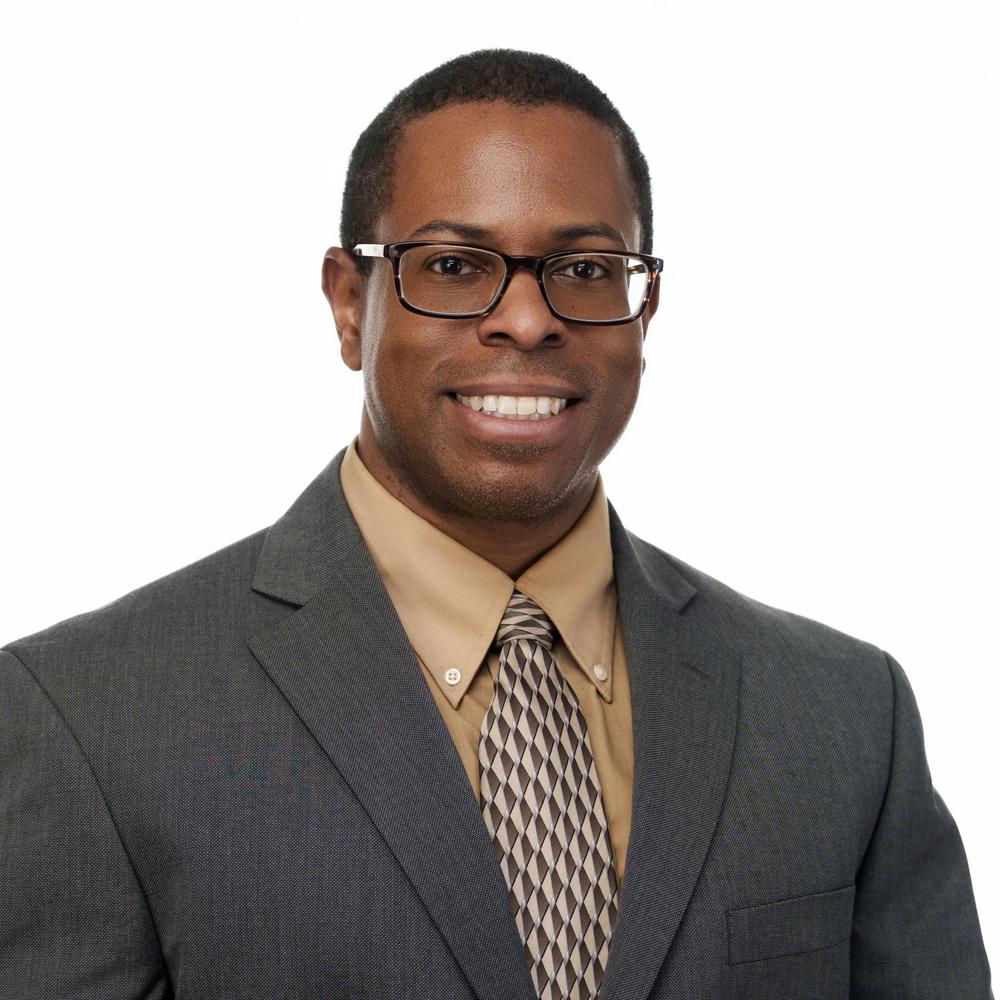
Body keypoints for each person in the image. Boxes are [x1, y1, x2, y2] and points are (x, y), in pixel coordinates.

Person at [0, 47, 991, 1000]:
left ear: (646, 313)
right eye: (455, 264)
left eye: (588, 270)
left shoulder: (844, 716)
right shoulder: (87, 717)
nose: (526, 319)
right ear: (351, 304)